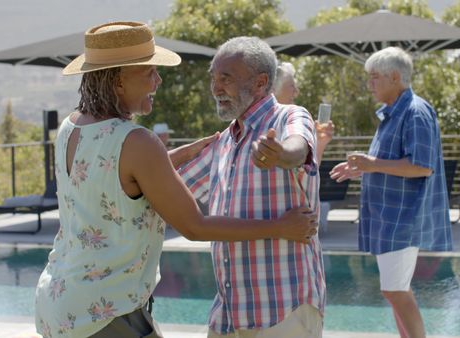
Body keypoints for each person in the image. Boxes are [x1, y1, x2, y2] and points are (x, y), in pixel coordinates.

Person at [34, 22, 318, 338]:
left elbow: (111, 178)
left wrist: (280, 154)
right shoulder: (138, 142)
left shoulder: (70, 127)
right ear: (117, 80)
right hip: (105, 312)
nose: (158, 80)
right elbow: (194, 226)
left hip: (59, 303)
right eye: (149, 72)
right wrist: (280, 227)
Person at [178, 37, 326, 337]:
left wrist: (280, 154)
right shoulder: (223, 141)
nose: (216, 88)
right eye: (214, 78)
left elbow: (298, 146)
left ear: (260, 83)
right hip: (229, 315)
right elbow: (172, 188)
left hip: (283, 311)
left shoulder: (289, 116)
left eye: (226, 78)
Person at [330, 47, 453, 338]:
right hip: (390, 218)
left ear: (395, 77)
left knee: (395, 290)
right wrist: (361, 169)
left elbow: (422, 167)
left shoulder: (415, 112)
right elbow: (390, 164)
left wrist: (372, 164)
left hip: (403, 218)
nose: (369, 84)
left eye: (374, 78)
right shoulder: (393, 113)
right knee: (395, 290)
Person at [274, 61, 334, 229]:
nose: (296, 92)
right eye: (292, 86)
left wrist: (319, 143)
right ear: (272, 89)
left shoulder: (293, 126)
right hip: (281, 222)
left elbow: (307, 171)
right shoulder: (262, 128)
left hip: (298, 223)